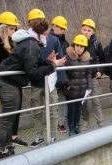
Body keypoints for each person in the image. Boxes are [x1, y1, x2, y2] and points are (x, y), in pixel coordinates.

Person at [0, 15, 66, 160]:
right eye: (45, 34)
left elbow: (35, 63)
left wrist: (48, 61)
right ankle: (0, 151)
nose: (47, 37)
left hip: (9, 83)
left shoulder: (29, 43)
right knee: (7, 120)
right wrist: (53, 66)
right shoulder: (32, 46)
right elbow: (33, 73)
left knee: (10, 117)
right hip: (9, 85)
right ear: (41, 34)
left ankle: (7, 148)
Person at [0, 12, 28, 147]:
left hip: (15, 81)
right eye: (11, 28)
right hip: (6, 83)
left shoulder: (12, 41)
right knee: (7, 118)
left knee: (14, 113)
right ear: (4, 28)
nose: (14, 31)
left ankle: (11, 141)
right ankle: (1, 148)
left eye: (15, 28)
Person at [29, 12, 68, 147]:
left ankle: (53, 136)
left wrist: (62, 81)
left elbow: (60, 60)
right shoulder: (29, 41)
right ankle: (39, 135)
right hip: (36, 80)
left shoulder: (53, 40)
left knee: (52, 109)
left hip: (51, 80)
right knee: (37, 110)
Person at [80, 18, 105, 130]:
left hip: (93, 76)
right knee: (83, 101)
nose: (86, 32)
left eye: (88, 30)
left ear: (93, 32)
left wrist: (101, 71)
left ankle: (100, 122)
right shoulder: (77, 42)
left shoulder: (96, 44)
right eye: (84, 29)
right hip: (80, 77)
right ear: (81, 30)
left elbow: (103, 60)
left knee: (96, 100)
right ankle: (86, 121)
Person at [64, 34, 91, 135]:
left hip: (82, 89)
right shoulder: (68, 57)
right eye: (77, 45)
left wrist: (89, 87)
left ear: (85, 48)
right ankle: (71, 127)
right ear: (74, 45)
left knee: (78, 109)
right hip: (71, 89)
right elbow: (63, 72)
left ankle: (76, 126)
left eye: (82, 46)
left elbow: (88, 74)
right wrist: (67, 83)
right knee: (71, 109)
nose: (79, 48)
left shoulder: (86, 59)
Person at [50, 16, 70, 133]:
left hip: (61, 74)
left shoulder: (65, 42)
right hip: (51, 73)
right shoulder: (47, 39)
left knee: (61, 99)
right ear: (54, 26)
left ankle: (60, 123)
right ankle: (52, 125)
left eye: (63, 29)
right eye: (60, 28)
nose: (62, 30)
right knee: (52, 101)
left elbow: (66, 60)